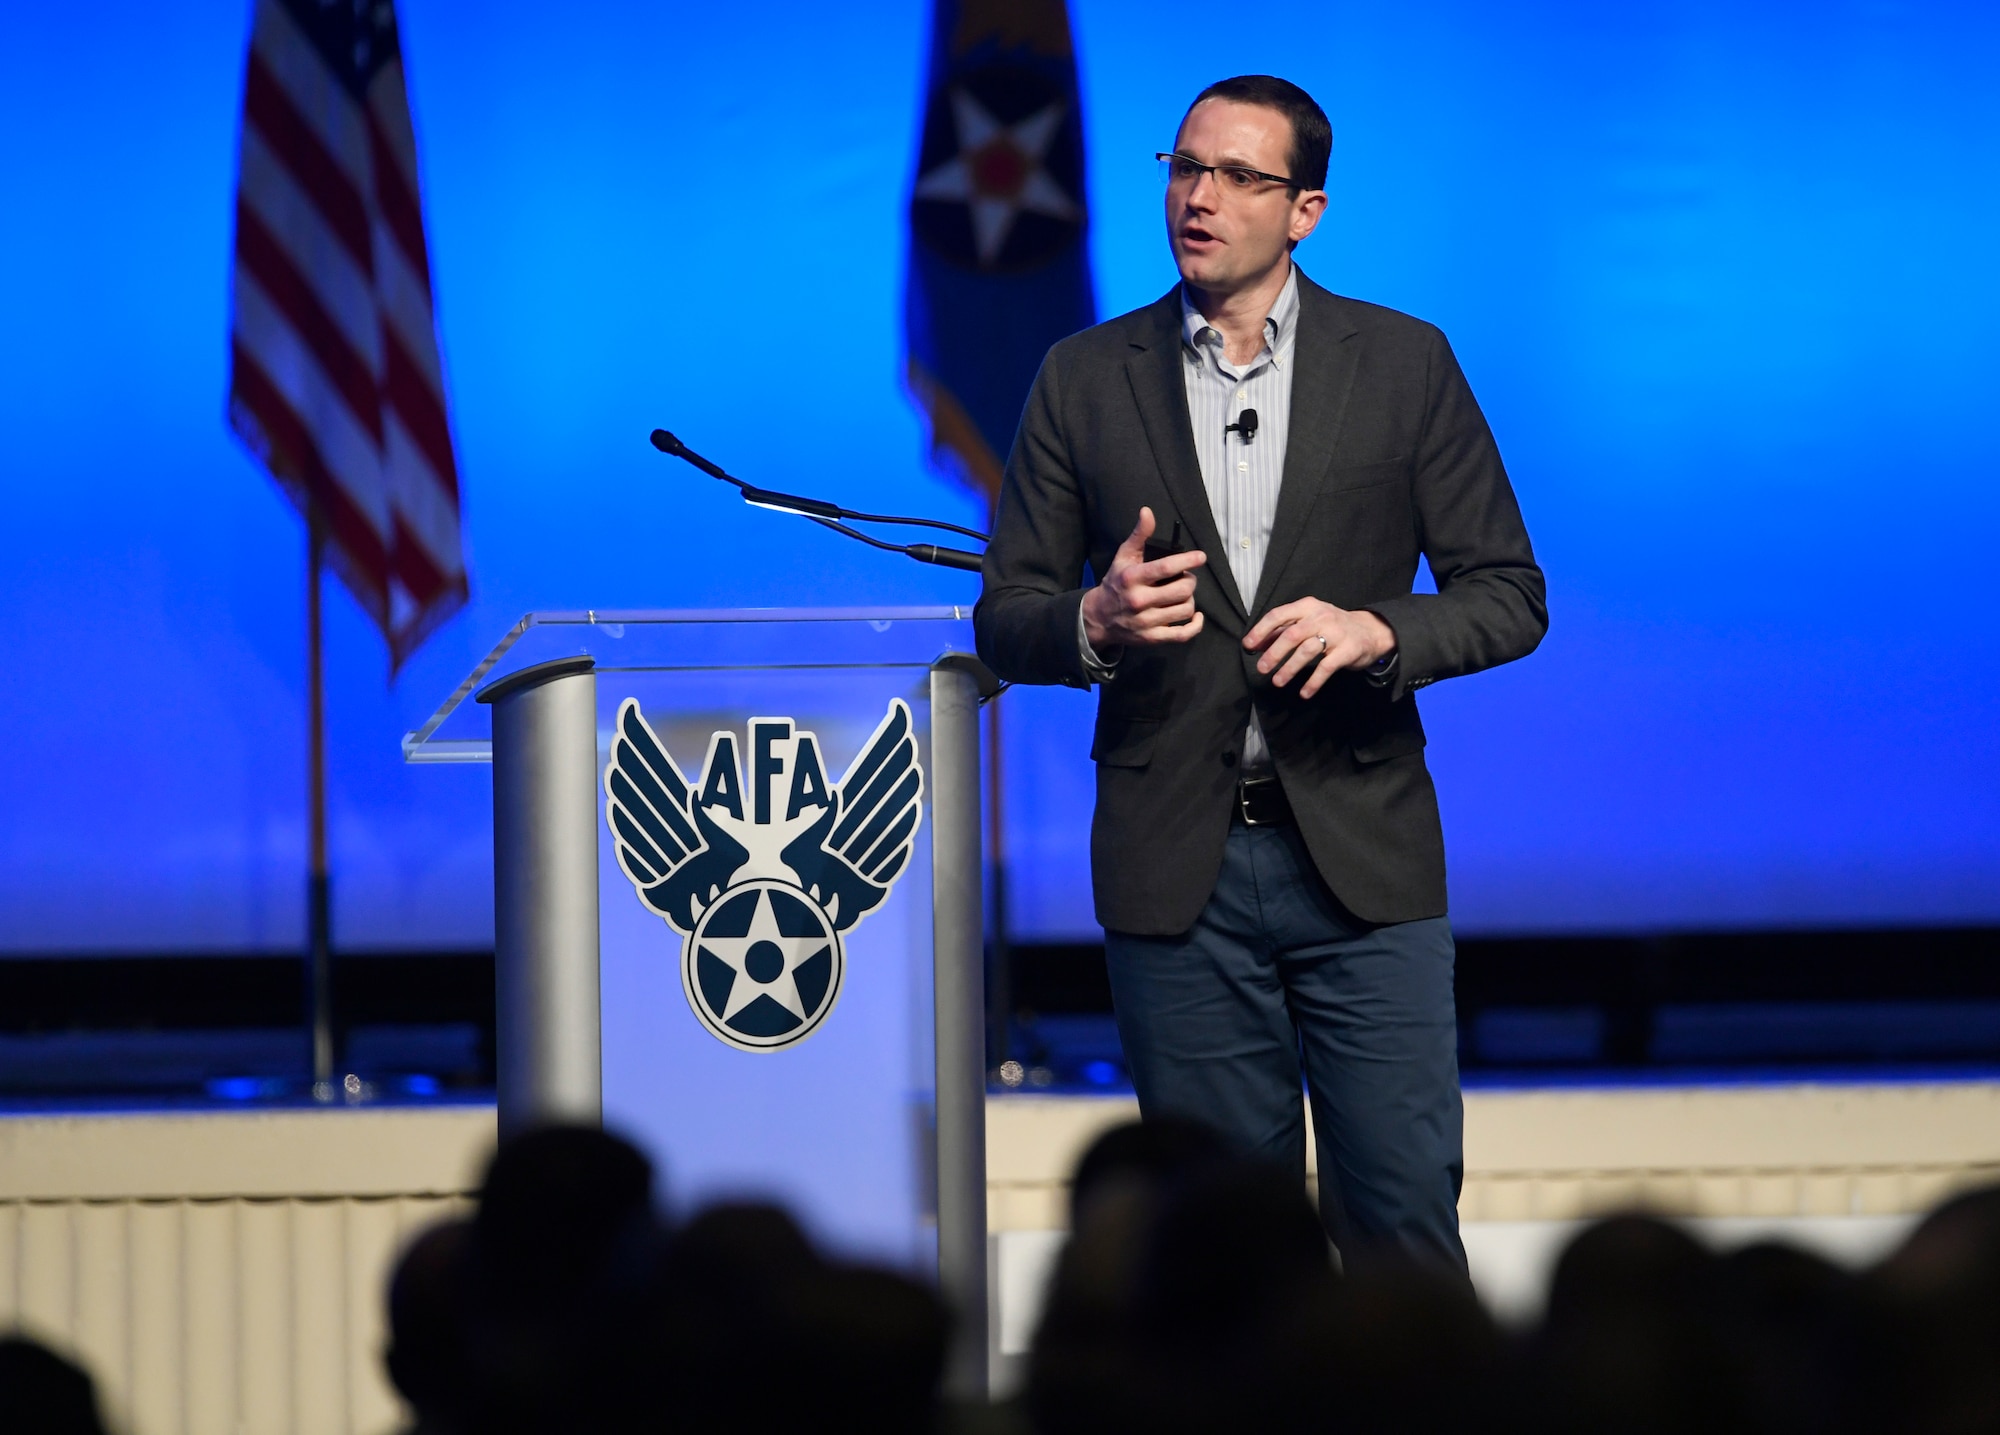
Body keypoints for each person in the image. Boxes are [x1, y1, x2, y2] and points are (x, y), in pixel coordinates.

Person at [975, 74, 1546, 1273]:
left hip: (1360, 857)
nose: (1199, 197)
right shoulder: (1082, 376)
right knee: (1222, 1257)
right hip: (1176, 865)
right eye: (1184, 168)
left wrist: (1380, 633)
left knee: (1397, 1222)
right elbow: (1005, 616)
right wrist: (1093, 616)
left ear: (1305, 211)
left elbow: (1506, 594)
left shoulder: (1399, 363)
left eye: (1240, 176)